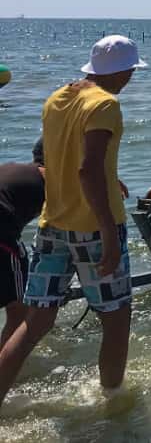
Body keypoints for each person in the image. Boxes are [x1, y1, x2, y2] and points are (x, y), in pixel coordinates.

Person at [0, 35, 146, 407]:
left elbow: (61, 156)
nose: (130, 78)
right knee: (116, 320)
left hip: (52, 225)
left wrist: (110, 177)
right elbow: (87, 168)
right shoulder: (106, 104)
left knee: (34, 323)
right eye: (130, 71)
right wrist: (109, 232)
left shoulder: (57, 98)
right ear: (121, 71)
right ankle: (114, 404)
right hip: (94, 227)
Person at [0, 140, 45, 345]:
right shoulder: (49, 177)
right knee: (19, 310)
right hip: (3, 237)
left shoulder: (13, 168)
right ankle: (6, 363)